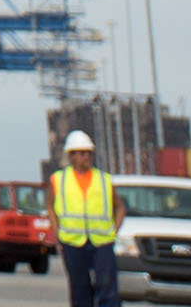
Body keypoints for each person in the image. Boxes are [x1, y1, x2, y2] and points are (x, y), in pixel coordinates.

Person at [50, 131, 123, 307]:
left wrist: (113, 231)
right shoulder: (59, 180)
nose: (86, 157)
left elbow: (119, 207)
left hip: (102, 242)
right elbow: (50, 207)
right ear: (71, 155)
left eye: (88, 153)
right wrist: (57, 233)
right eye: (82, 153)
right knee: (79, 290)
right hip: (73, 243)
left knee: (107, 289)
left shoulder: (104, 179)